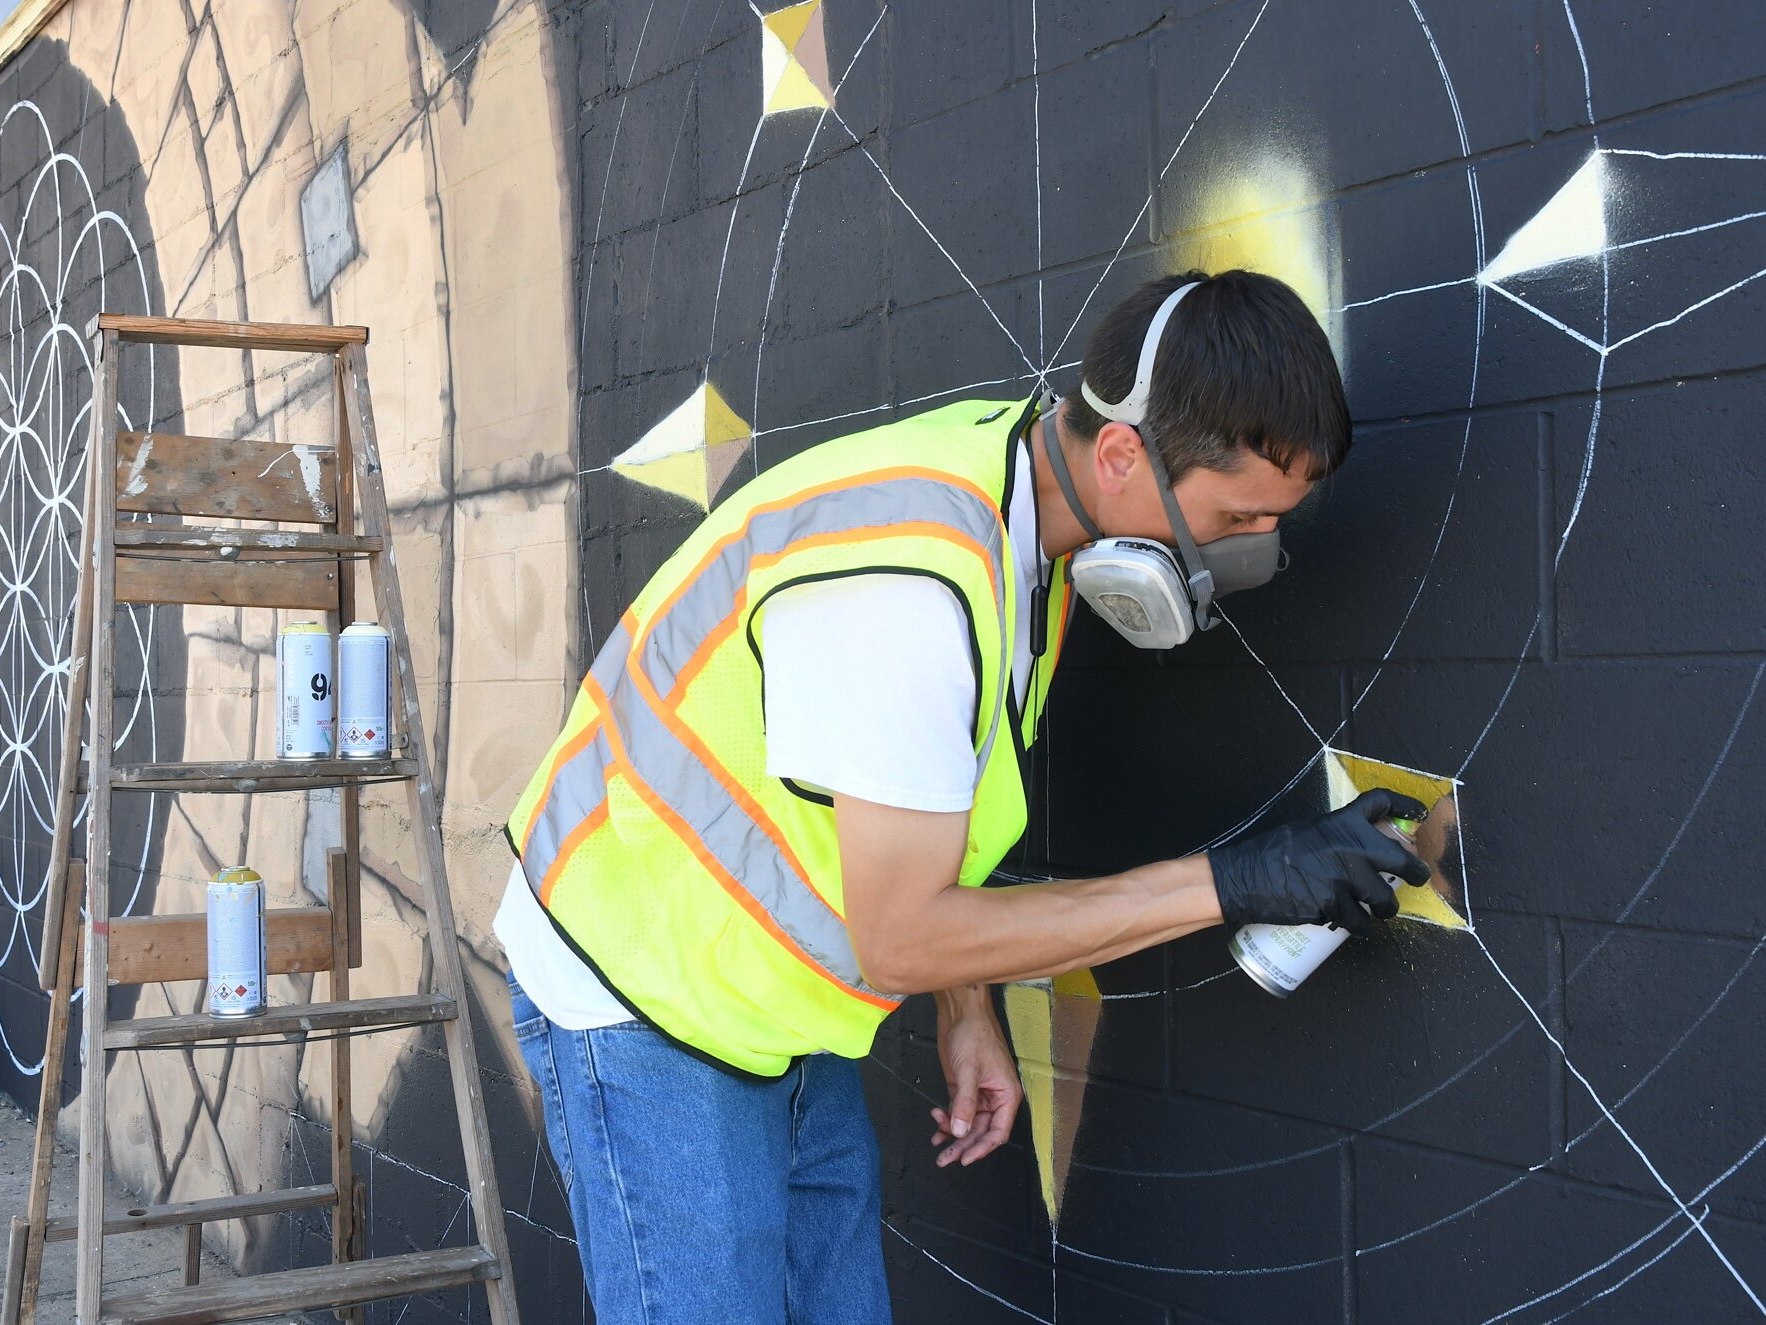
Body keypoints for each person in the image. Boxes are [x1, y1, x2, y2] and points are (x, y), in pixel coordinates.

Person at [493, 269, 1430, 1324]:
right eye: (1231, 518)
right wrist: (1233, 880)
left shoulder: (1018, 508)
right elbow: (899, 934)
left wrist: (965, 1004)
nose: (1233, 556)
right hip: (642, 988)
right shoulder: (910, 586)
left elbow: (917, 799)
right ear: (1122, 456)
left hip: (765, 999)